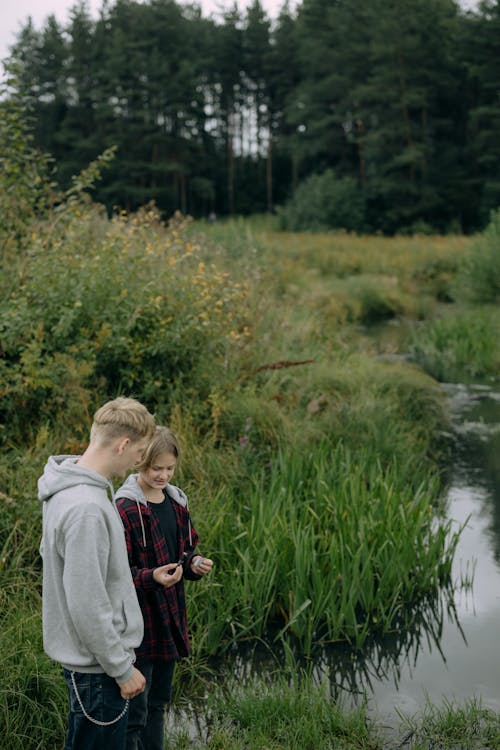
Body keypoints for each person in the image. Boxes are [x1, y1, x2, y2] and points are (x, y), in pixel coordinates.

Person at [38, 396, 156, 750]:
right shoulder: (86, 508)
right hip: (99, 669)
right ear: (123, 444)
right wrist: (121, 669)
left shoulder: (67, 488)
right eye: (140, 453)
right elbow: (86, 602)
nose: (140, 462)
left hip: (91, 664)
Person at [115, 426, 213, 750]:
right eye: (156, 468)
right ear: (140, 462)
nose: (163, 475)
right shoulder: (126, 509)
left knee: (158, 702)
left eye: (169, 468)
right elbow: (117, 573)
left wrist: (194, 563)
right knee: (135, 712)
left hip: (170, 619)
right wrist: (151, 577)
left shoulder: (176, 503)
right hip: (139, 622)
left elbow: (185, 551)